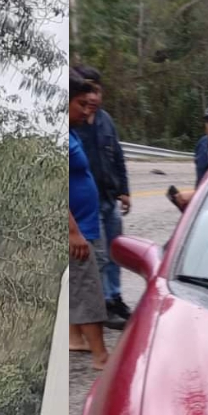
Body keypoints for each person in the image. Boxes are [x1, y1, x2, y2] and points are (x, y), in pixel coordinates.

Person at [72, 64, 132, 329]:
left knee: (115, 252)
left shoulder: (106, 120)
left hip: (110, 198)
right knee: (99, 257)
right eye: (89, 91)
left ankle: (114, 296)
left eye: (97, 90)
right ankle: (102, 306)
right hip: (90, 206)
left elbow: (117, 155)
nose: (93, 98)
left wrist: (125, 190)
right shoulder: (76, 122)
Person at [68, 69, 110, 370]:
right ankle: (101, 357)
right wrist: (72, 231)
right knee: (90, 291)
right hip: (78, 228)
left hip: (86, 222)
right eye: (81, 104)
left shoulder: (71, 131)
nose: (87, 110)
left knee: (81, 286)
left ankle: (76, 338)